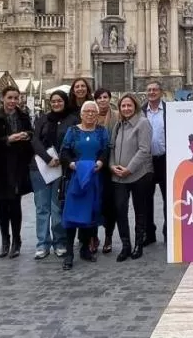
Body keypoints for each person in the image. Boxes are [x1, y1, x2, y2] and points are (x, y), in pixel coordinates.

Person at [59, 101, 109, 270]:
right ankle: (69, 253)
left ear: (97, 114)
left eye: (93, 112)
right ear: (81, 114)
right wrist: (71, 163)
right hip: (76, 176)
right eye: (86, 111)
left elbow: (105, 150)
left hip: (94, 176)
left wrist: (101, 162)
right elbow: (64, 151)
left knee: (90, 213)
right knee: (72, 214)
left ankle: (85, 248)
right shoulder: (73, 131)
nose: (90, 114)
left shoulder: (102, 131)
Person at [30, 89, 76, 259]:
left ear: (65, 102)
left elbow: (73, 142)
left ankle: (60, 242)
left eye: (59, 101)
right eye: (53, 101)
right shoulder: (42, 119)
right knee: (42, 207)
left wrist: (62, 159)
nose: (56, 104)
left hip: (61, 168)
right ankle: (42, 243)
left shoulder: (72, 120)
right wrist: (47, 158)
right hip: (40, 167)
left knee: (57, 207)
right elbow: (34, 140)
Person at [0, 86, 34, 259]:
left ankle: (16, 240)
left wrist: (26, 135)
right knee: (2, 205)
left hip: (18, 165)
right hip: (1, 165)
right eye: (10, 98)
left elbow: (31, 133)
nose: (13, 101)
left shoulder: (23, 116)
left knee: (15, 203)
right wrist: (7, 139)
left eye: (16, 98)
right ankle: (5, 240)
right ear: (3, 98)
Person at [109, 93, 153, 262]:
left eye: (129, 106)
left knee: (140, 210)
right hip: (118, 176)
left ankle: (138, 245)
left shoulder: (143, 123)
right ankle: (125, 245)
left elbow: (144, 149)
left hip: (138, 175)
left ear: (135, 106)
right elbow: (111, 148)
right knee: (120, 209)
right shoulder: (118, 125)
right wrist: (112, 166)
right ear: (119, 108)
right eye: (123, 106)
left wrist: (129, 169)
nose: (126, 109)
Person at [93, 87, 118, 253]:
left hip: (111, 165)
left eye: (105, 97)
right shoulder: (89, 115)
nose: (102, 100)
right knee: (93, 202)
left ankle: (109, 236)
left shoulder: (117, 116)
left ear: (109, 98)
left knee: (110, 203)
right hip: (94, 166)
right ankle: (92, 237)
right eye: (99, 97)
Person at [142, 80, 167, 245]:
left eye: (155, 90)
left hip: (165, 159)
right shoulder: (140, 112)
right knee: (145, 199)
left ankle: (168, 233)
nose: (152, 92)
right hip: (146, 161)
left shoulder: (170, 111)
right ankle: (148, 233)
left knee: (168, 198)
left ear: (161, 92)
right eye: (149, 90)